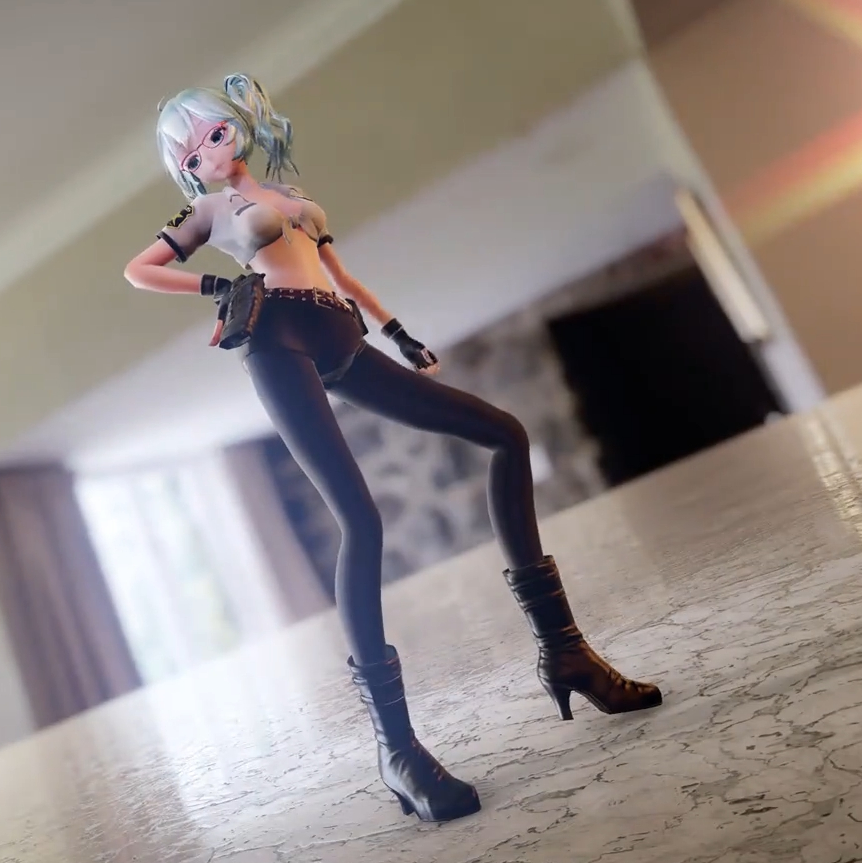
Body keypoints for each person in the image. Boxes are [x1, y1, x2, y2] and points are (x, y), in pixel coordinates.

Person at [124, 74, 662, 824]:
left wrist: (397, 332)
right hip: (276, 341)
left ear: (238, 126)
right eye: (193, 154)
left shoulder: (292, 197)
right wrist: (219, 287)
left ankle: (564, 649)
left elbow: (340, 275)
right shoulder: (208, 211)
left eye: (215, 134)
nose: (210, 153)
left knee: (504, 433)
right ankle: (397, 748)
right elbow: (140, 269)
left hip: (340, 332)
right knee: (361, 519)